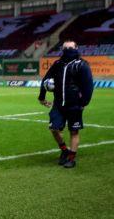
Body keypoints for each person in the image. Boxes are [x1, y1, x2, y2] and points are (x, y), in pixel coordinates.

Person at [38, 40, 93, 168]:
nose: (68, 50)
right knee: (54, 128)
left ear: (76, 48)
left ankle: (71, 159)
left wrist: (84, 102)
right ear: (62, 50)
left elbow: (88, 85)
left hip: (75, 104)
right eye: (65, 48)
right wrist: (42, 97)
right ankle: (64, 151)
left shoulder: (82, 65)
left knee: (74, 131)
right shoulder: (58, 64)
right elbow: (45, 79)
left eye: (71, 47)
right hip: (58, 104)